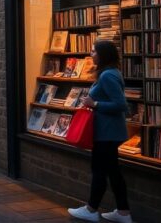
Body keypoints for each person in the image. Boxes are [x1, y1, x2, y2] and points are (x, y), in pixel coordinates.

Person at [68, 40, 132, 223]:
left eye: (94, 51)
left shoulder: (107, 76)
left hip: (107, 133)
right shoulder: (110, 73)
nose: (91, 54)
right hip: (109, 132)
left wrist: (94, 103)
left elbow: (121, 105)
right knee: (112, 171)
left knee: (99, 170)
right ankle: (123, 212)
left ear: (103, 55)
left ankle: (91, 209)